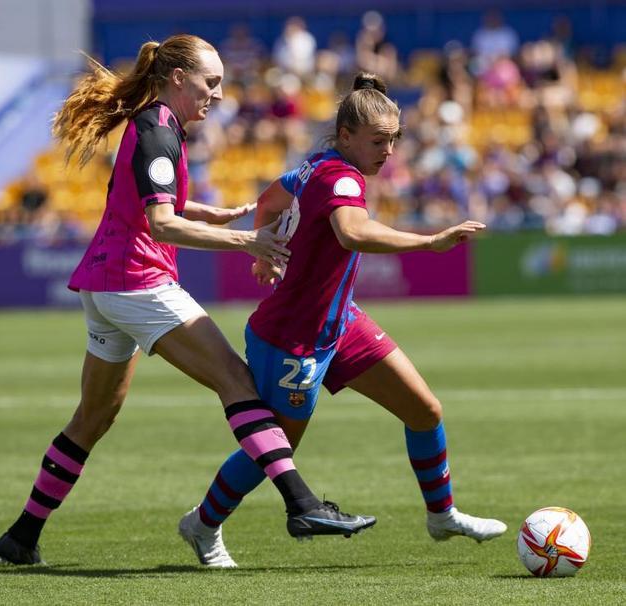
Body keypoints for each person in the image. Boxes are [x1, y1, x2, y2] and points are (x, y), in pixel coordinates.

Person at [0, 34, 375, 566]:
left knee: (94, 416)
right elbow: (160, 223)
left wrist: (205, 212)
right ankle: (301, 503)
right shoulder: (156, 129)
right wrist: (248, 239)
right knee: (237, 382)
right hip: (136, 282)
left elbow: (152, 201)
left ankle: (21, 535)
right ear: (177, 78)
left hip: (106, 287)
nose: (217, 94)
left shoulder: (160, 125)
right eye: (210, 82)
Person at [179, 73, 507, 568]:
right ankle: (202, 524)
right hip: (292, 337)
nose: (390, 151)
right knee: (275, 447)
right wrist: (428, 241)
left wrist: (264, 246)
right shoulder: (342, 177)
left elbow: (270, 198)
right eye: (379, 141)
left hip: (340, 325)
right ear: (347, 135)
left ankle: (442, 516)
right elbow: (352, 233)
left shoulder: (316, 166)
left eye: (394, 139)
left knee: (425, 410)